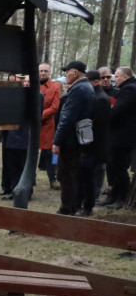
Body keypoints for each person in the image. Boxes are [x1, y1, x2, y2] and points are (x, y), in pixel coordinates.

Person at [53, 61, 94, 216]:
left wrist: (57, 141)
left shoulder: (78, 89)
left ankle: (66, 209)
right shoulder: (86, 87)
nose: (65, 75)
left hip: (70, 140)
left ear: (75, 73)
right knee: (71, 173)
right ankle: (71, 206)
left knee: (65, 175)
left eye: (67, 71)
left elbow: (67, 118)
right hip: (78, 138)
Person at [79, 69, 111, 215]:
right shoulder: (94, 96)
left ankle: (88, 206)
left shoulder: (101, 99)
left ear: (96, 82)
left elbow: (97, 124)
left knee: (89, 177)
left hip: (94, 146)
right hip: (90, 144)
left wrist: (86, 142)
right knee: (85, 176)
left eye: (88, 82)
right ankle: (83, 203)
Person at [105, 66, 136, 207]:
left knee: (119, 167)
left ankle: (121, 198)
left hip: (122, 136)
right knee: (113, 166)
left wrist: (106, 114)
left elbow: (116, 111)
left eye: (116, 76)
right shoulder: (126, 89)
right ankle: (113, 196)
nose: (114, 79)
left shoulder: (129, 90)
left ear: (125, 77)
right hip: (119, 134)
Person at [37, 63, 61, 190]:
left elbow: (54, 107)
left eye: (45, 71)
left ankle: (53, 178)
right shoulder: (32, 84)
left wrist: (39, 116)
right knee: (29, 152)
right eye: (41, 71)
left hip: (47, 124)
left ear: (49, 72)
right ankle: (29, 178)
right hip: (32, 125)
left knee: (50, 153)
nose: (43, 73)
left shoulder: (56, 87)